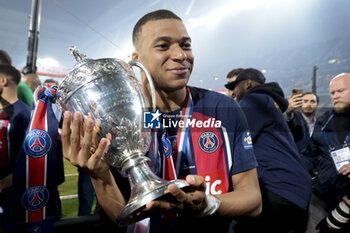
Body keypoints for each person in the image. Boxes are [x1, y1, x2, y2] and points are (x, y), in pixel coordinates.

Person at [61, 9, 262, 233]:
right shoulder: (114, 122)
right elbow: (122, 217)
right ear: (135, 60)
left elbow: (253, 200)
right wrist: (99, 177)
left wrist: (208, 204)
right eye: (163, 46)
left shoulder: (222, 108)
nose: (180, 55)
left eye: (185, 45)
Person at [225, 68, 312, 233]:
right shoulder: (271, 102)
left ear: (248, 83)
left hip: (276, 189)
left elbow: (229, 141)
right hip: (295, 190)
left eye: (235, 86)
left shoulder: (253, 100)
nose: (233, 92)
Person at [302, 73, 350, 233]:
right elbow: (310, 156)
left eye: (341, 91)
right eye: (332, 93)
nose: (335, 96)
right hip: (322, 196)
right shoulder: (323, 121)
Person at [0, 65, 31, 231]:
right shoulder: (4, 111)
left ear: (3, 80)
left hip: (14, 196)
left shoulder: (24, 114)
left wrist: (3, 184)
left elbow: (31, 160)